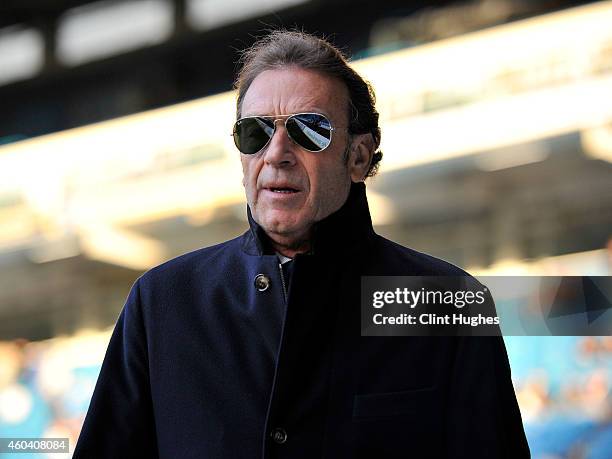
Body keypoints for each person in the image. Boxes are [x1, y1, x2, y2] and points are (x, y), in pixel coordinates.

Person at [74, 30, 530, 458]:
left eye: (308, 129)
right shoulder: (162, 303)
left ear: (358, 156)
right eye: (255, 132)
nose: (275, 153)